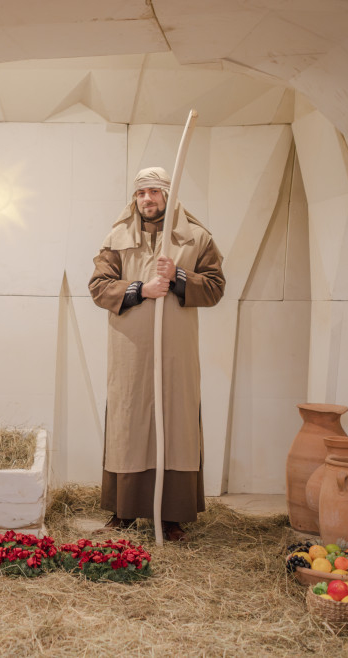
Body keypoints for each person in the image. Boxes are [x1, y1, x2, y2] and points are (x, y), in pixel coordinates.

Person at [88, 167, 225, 542]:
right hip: (130, 352)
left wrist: (180, 276)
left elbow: (214, 288)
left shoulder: (196, 238)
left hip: (176, 354)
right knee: (129, 422)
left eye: (155, 192)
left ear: (169, 195)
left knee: (175, 423)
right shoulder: (117, 238)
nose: (147, 199)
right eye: (141, 193)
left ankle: (171, 516)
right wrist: (140, 290)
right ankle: (125, 512)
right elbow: (99, 287)